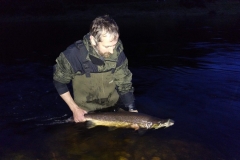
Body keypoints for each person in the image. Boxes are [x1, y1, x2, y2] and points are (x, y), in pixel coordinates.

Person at [53, 15, 137, 123]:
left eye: (114, 45)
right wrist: (75, 109)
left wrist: (132, 109)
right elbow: (59, 81)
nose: (112, 52)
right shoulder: (74, 55)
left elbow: (124, 84)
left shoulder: (118, 54)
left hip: (113, 109)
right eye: (107, 47)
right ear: (93, 40)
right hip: (84, 113)